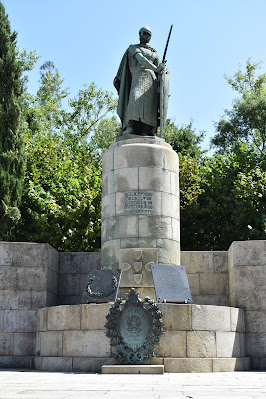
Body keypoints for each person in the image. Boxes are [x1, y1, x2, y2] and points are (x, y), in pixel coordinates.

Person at [114, 26, 165, 136]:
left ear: (150, 36)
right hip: (138, 78)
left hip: (152, 81)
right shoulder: (133, 48)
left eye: (146, 33)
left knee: (150, 106)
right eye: (141, 33)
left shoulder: (154, 53)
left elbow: (160, 71)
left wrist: (162, 71)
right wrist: (156, 68)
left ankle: (146, 130)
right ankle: (130, 126)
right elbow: (141, 59)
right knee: (134, 98)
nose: (142, 35)